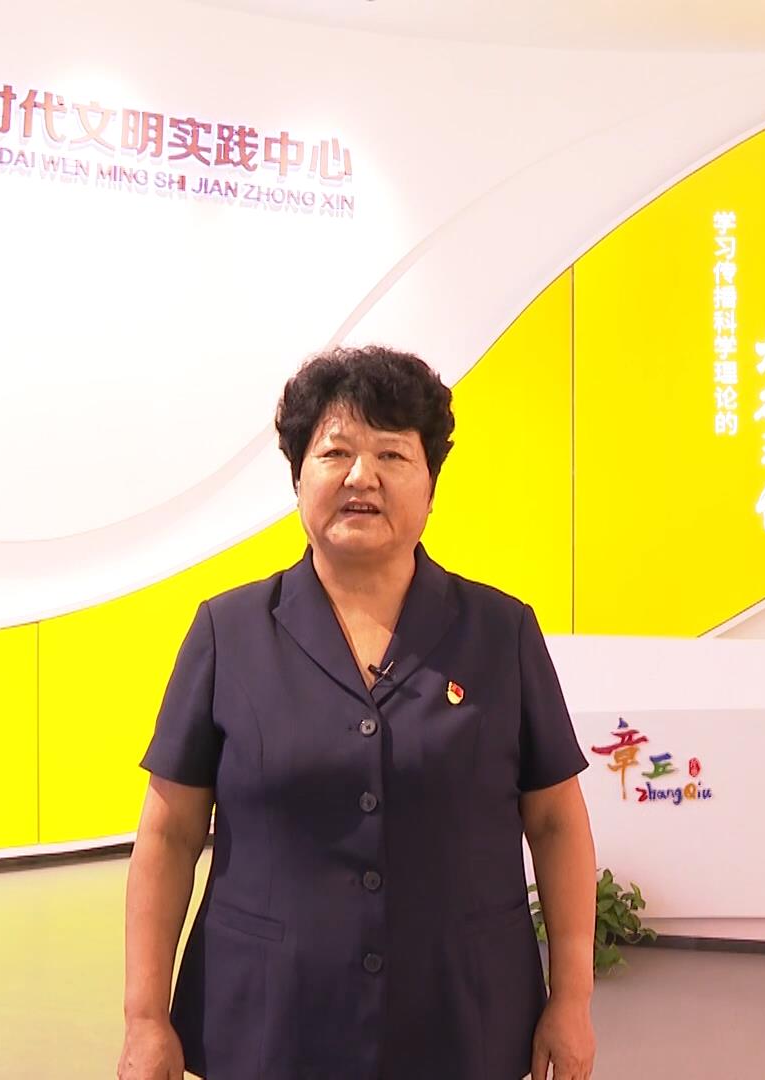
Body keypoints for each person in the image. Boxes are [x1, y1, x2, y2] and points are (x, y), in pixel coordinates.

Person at [118, 345, 598, 1080]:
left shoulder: (501, 632)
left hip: (461, 1018)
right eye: (335, 452)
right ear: (298, 479)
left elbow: (558, 823)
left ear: (431, 487)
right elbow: (170, 832)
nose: (361, 476)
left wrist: (572, 1000)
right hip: (270, 1024)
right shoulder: (228, 632)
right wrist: (146, 1018)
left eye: (392, 454)